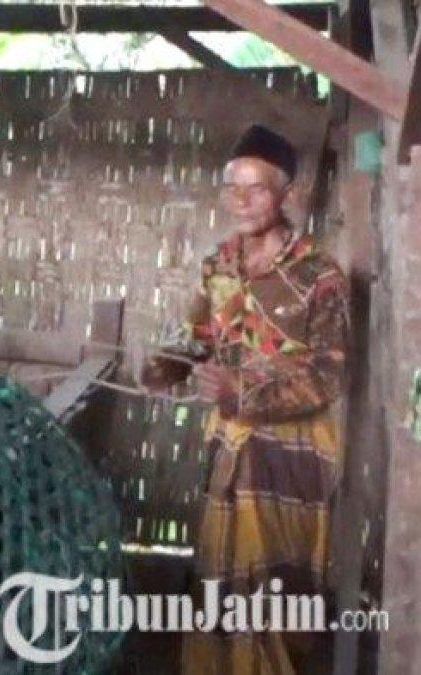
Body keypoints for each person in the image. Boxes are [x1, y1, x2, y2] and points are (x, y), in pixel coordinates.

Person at [141, 124, 349, 674]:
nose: (241, 200)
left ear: (286, 195)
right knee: (221, 578)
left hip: (291, 454)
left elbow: (329, 375)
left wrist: (244, 390)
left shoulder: (318, 273)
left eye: (256, 188)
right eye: (232, 187)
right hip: (231, 444)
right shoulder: (220, 266)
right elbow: (198, 337)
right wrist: (166, 365)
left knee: (275, 589)